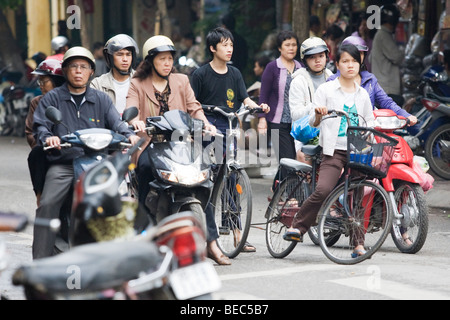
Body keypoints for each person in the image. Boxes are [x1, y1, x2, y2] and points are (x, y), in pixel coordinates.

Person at [32, 47, 140, 259]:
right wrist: (48, 137)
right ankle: (40, 262)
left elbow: (117, 123)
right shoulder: (52, 98)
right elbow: (41, 126)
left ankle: (121, 257)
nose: (78, 71)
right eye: (73, 66)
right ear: (65, 71)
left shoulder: (101, 99)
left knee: (120, 201)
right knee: (47, 205)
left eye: (83, 67)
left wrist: (129, 134)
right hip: (64, 163)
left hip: (97, 163)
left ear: (92, 71)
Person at [283, 44, 375, 258]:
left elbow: (369, 121)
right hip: (334, 150)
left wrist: (370, 135)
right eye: (345, 61)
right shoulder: (326, 90)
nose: (350, 65)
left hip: (358, 151)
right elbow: (314, 123)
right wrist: (318, 113)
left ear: (359, 63)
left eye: (353, 61)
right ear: (338, 64)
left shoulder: (362, 95)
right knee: (323, 189)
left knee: (358, 196)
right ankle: (298, 227)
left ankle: (358, 244)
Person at [190, 27, 270, 265]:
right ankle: (207, 234)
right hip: (207, 131)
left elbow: (244, 98)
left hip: (229, 129)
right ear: (213, 48)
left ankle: (237, 235)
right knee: (207, 183)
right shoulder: (200, 74)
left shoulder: (234, 73)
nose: (229, 49)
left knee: (232, 180)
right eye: (224, 45)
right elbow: (192, 104)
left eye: (231, 45)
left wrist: (258, 106)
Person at [124, 35, 217, 234]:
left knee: (201, 176)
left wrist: (206, 123)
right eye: (161, 59)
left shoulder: (182, 80)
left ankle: (212, 240)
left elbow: (194, 108)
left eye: (169, 58)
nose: (167, 63)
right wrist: (135, 120)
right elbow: (131, 106)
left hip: (181, 142)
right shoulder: (137, 83)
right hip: (151, 142)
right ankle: (143, 228)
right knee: (145, 168)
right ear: (150, 61)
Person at [329, 36, 417, 126]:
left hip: (366, 132)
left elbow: (386, 102)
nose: (357, 57)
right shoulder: (331, 83)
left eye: (360, 54)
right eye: (352, 54)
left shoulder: (370, 80)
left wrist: (405, 115)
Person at [258, 30, 302, 190]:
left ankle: (277, 187)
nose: (291, 48)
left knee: (293, 159)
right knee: (287, 159)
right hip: (276, 122)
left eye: (294, 45)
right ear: (279, 48)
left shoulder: (301, 67)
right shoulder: (272, 67)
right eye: (287, 45)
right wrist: (262, 118)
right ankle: (292, 198)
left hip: (297, 122)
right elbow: (264, 94)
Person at [25, 59, 66, 206]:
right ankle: (40, 196)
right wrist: (45, 143)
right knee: (35, 155)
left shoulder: (70, 99)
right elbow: (30, 132)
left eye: (44, 81)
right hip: (47, 149)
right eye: (39, 82)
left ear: (57, 80)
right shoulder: (36, 102)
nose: (41, 86)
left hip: (72, 148)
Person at [289, 37, 333, 163]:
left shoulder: (331, 77)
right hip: (306, 133)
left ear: (326, 57)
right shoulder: (298, 81)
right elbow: (295, 114)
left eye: (321, 55)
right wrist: (314, 107)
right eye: (312, 57)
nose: (317, 60)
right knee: (305, 162)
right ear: (305, 60)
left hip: (330, 131)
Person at [91, 34, 139, 114]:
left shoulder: (142, 80)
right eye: (120, 54)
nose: (125, 59)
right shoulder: (97, 84)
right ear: (110, 57)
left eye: (128, 54)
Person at [370, 4, 404, 107]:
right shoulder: (383, 35)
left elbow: (370, 58)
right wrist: (404, 50)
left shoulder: (380, 35)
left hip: (381, 86)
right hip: (387, 88)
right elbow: (397, 57)